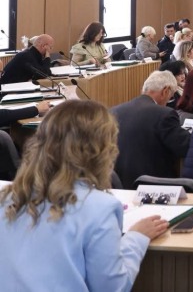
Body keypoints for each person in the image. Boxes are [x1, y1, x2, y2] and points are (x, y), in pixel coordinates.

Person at [0, 101, 168, 291]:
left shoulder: (7, 197)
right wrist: (136, 238)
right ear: (101, 150)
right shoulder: (100, 207)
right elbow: (112, 287)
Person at [110, 70, 192, 188]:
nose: (169, 101)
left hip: (118, 185)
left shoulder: (114, 111)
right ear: (165, 91)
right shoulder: (164, 114)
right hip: (154, 185)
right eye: (170, 97)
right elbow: (184, 146)